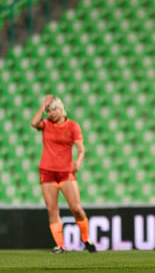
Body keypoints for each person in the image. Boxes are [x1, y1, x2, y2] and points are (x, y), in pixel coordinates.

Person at [31, 95, 96, 254]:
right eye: (48, 110)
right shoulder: (46, 125)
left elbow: (81, 149)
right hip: (47, 172)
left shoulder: (73, 126)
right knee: (52, 210)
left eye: (53, 109)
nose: (51, 113)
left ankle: (86, 238)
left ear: (62, 109)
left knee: (76, 208)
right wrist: (42, 105)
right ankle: (60, 245)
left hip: (66, 172)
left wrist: (78, 162)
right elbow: (33, 123)